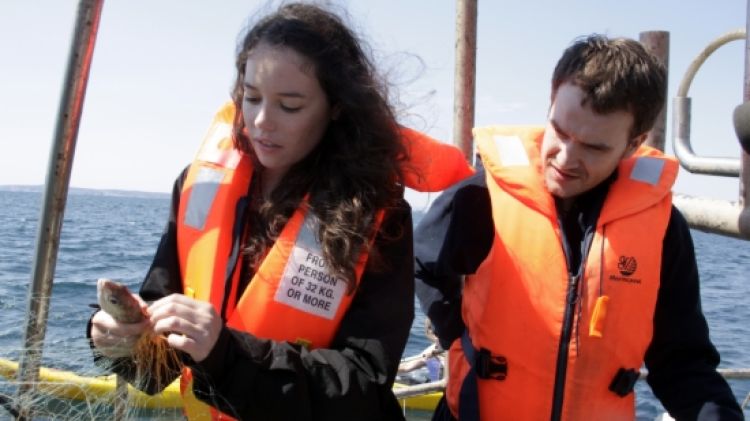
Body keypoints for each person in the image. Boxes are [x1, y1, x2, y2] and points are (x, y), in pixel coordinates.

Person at [87, 3, 470, 420]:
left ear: (336, 106)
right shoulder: (198, 185)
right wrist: (120, 339)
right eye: (251, 98)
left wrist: (225, 356)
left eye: (290, 106)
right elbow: (155, 364)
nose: (262, 121)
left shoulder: (379, 215)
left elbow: (362, 383)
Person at [415, 35, 744, 420]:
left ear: (633, 144)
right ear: (550, 104)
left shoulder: (661, 230)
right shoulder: (479, 196)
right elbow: (420, 262)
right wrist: (461, 336)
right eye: (561, 131)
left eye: (594, 147)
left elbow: (682, 362)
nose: (566, 158)